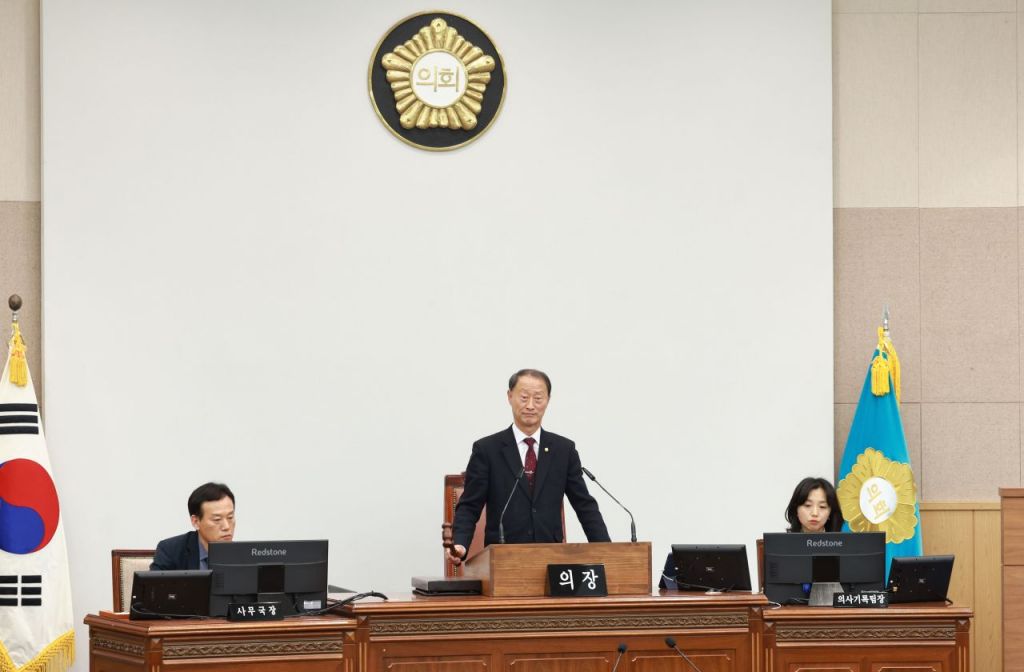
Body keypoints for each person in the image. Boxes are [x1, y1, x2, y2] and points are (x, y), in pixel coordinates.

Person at [447, 369, 610, 565]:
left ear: (548, 400)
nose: (530, 405)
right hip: (503, 560)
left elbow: (584, 505)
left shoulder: (563, 450)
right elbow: (470, 506)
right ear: (510, 397)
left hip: (552, 560)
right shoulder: (487, 449)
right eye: (524, 397)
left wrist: (607, 550)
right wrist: (460, 544)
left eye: (538, 398)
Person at [151, 482, 236, 570]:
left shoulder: (242, 554)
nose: (226, 527)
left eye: (230, 517)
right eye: (217, 519)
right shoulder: (171, 551)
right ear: (195, 522)